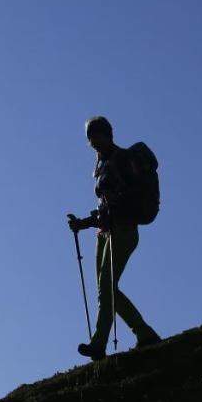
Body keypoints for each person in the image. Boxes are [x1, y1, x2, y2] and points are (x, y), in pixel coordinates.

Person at [67, 116, 160, 361]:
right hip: (107, 232)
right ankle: (143, 333)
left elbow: (125, 198)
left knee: (106, 288)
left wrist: (115, 204)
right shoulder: (103, 165)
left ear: (107, 134)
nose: (92, 143)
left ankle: (102, 342)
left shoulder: (122, 159)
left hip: (124, 229)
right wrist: (84, 224)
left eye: (94, 136)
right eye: (89, 138)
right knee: (105, 290)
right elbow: (106, 207)